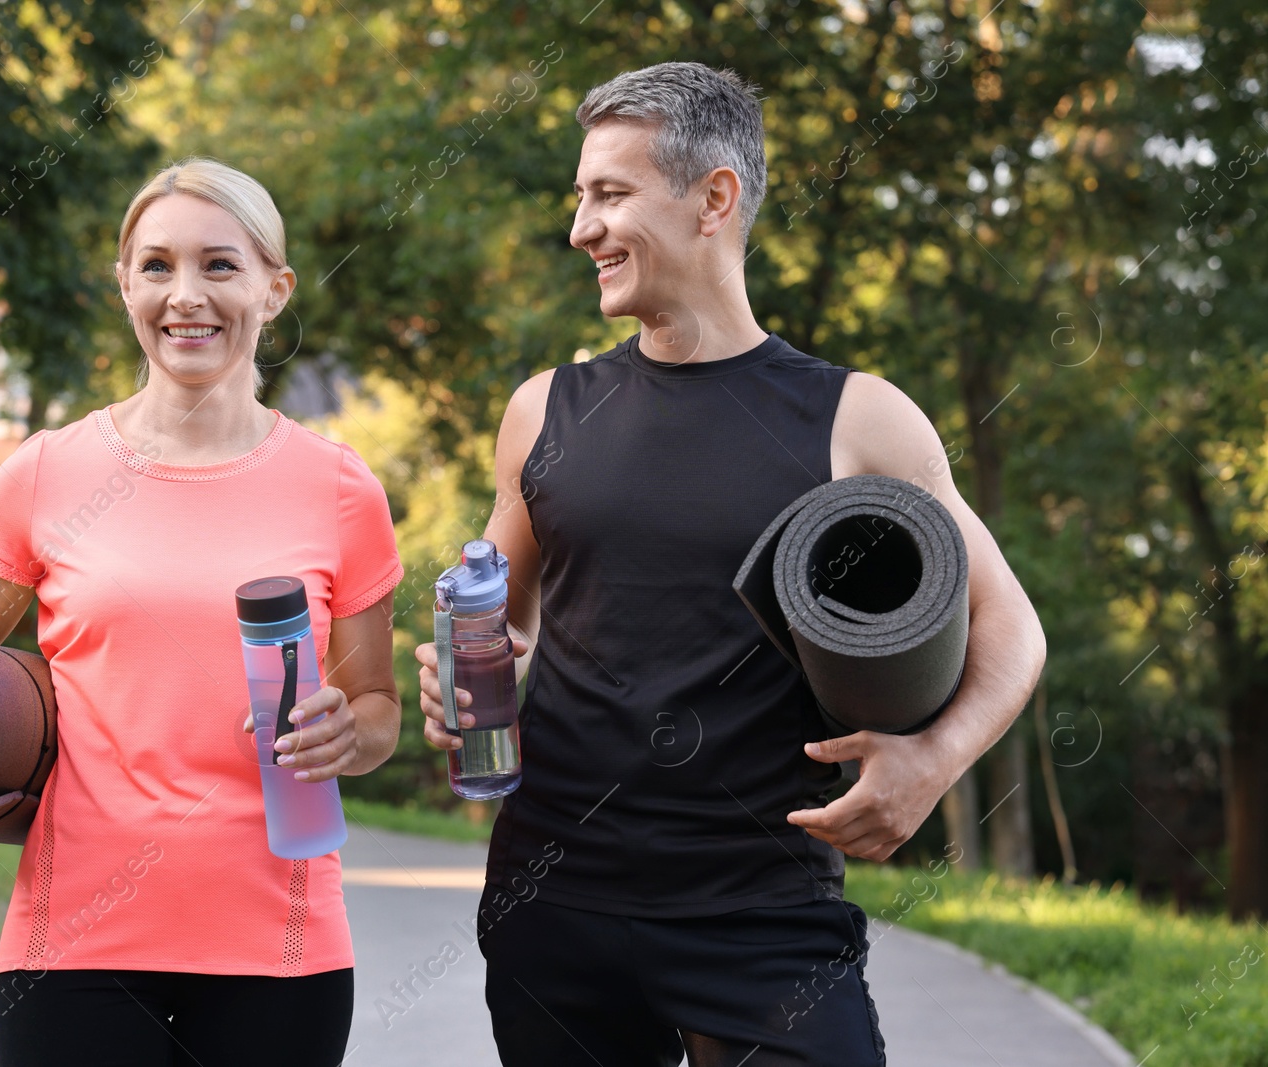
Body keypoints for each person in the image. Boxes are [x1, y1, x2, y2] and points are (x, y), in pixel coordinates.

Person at [416, 63, 1047, 1067]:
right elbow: (507, 608)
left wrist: (933, 759)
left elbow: (1011, 625)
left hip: (759, 911)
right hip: (553, 901)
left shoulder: (856, 416)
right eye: (580, 197)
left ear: (714, 197)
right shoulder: (544, 408)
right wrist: (465, 669)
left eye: (610, 194)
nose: (582, 227)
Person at [0, 157, 405, 1067]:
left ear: (275, 288)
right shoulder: (45, 473)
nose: (187, 295)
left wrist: (349, 732)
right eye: (157, 265)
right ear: (125, 284)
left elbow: (376, 709)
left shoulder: (339, 489)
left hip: (281, 952)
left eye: (220, 265)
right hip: (72, 951)